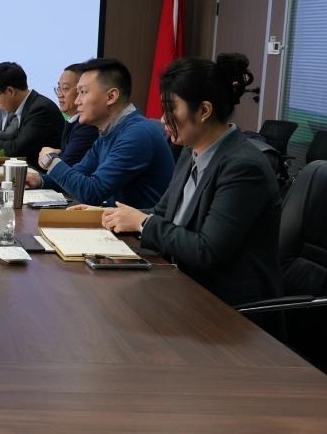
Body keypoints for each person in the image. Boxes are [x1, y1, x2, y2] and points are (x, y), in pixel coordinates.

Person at [101, 54, 283, 306]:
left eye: (171, 109)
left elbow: (207, 251)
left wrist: (142, 223)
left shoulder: (243, 167)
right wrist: (110, 215)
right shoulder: (190, 151)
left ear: (204, 110)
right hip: (182, 284)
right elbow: (163, 213)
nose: (163, 119)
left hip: (225, 306)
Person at [29, 57, 174, 208]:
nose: (77, 101)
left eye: (83, 92)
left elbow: (92, 192)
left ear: (111, 96)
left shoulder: (137, 134)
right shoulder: (109, 131)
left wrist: (51, 161)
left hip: (140, 223)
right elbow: (80, 172)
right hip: (115, 219)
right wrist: (39, 180)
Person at [0, 61, 64, 163]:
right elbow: (16, 139)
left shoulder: (40, 109)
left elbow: (19, 149)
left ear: (10, 91)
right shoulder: (29, 105)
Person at [54, 62, 99, 165]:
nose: (60, 95)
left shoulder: (88, 125)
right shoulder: (71, 120)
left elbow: (66, 165)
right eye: (59, 88)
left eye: (65, 88)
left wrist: (49, 157)